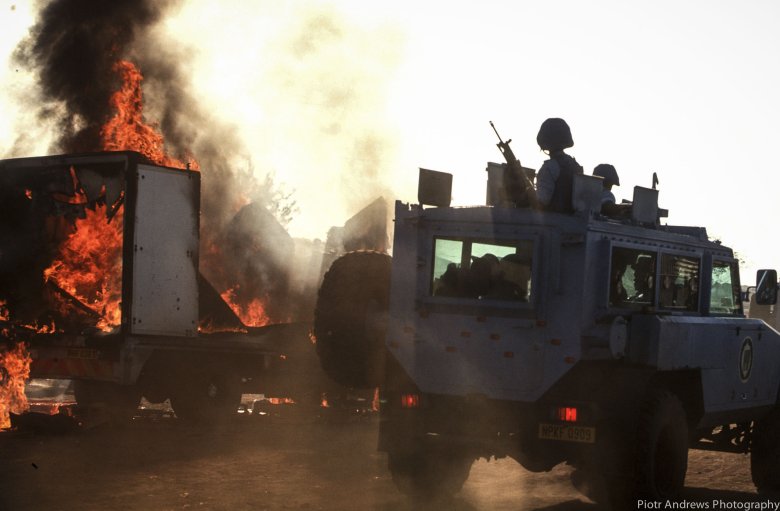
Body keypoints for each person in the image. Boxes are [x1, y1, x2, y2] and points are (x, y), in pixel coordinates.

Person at [535, 118, 584, 213]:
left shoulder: (549, 167)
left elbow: (541, 202)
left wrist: (527, 192)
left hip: (551, 224)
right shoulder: (575, 166)